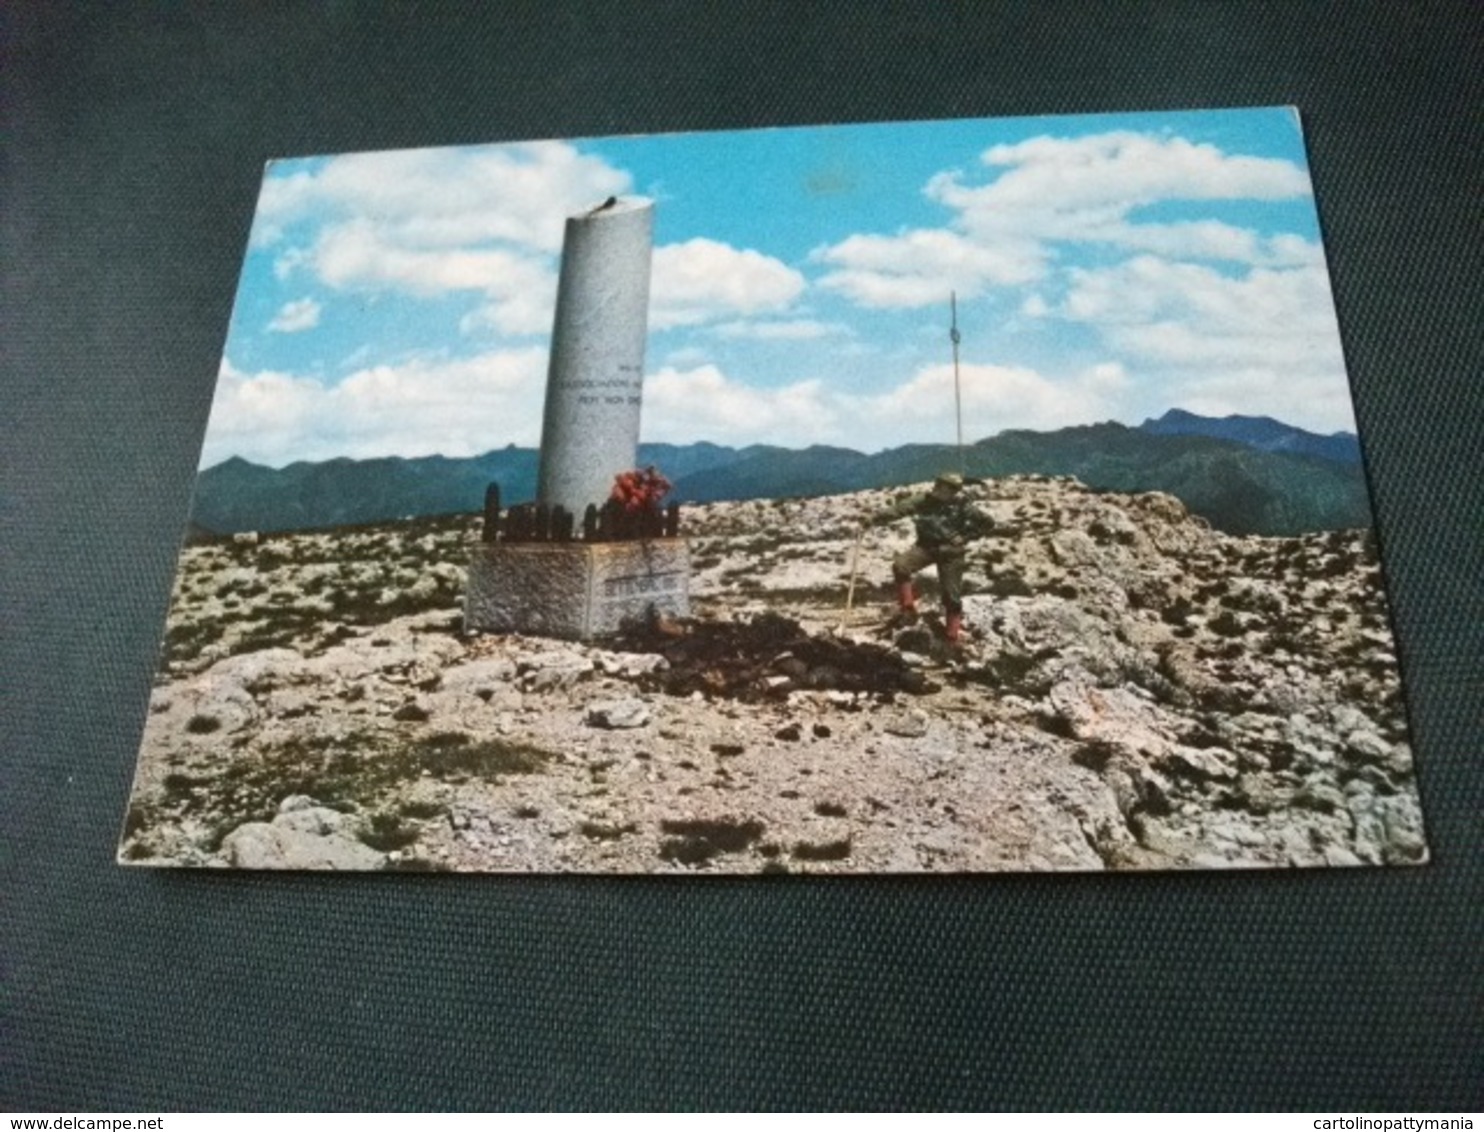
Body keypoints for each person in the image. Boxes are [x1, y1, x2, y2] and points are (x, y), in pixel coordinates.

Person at [861, 472, 994, 646]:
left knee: (951, 595)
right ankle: (908, 609)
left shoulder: (962, 505)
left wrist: (966, 536)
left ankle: (951, 636)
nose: (946, 492)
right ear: (938, 485)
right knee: (901, 566)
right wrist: (872, 519)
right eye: (944, 487)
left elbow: (987, 523)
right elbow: (899, 509)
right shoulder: (923, 500)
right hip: (926, 547)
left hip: (952, 552)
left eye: (951, 490)